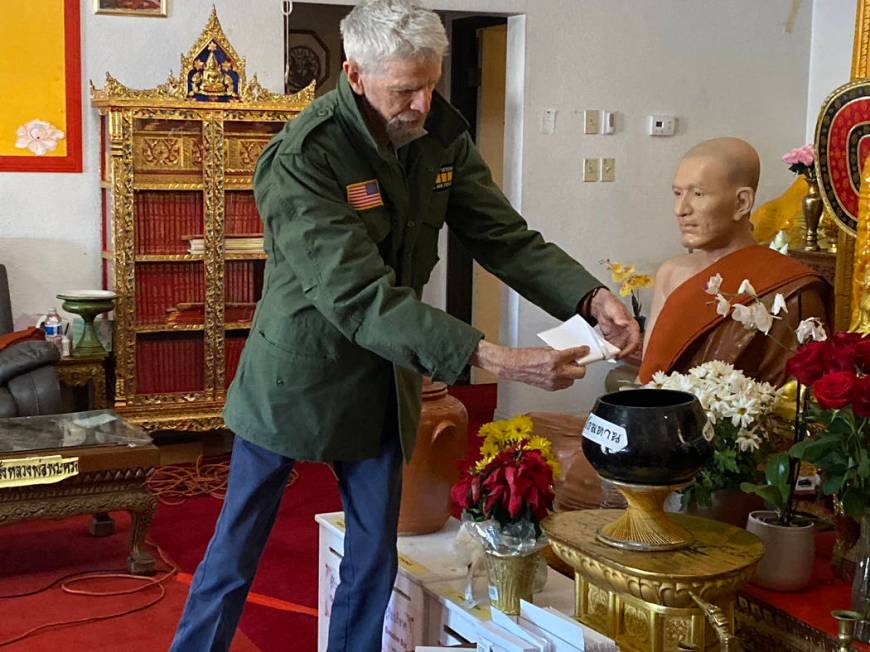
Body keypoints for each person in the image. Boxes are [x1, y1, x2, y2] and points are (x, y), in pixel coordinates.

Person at [169, 2, 640, 650]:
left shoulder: (438, 134)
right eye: (404, 90)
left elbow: (502, 236)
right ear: (355, 74)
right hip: (296, 374)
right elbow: (357, 295)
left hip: (385, 374)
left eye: (430, 83)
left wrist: (588, 296)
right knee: (235, 551)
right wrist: (493, 358)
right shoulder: (305, 156)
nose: (420, 104)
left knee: (373, 555)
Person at [639, 137, 830, 386]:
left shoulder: (789, 288)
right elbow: (648, 378)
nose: (681, 209)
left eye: (698, 194)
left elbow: (793, 402)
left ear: (742, 203)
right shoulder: (672, 273)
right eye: (677, 193)